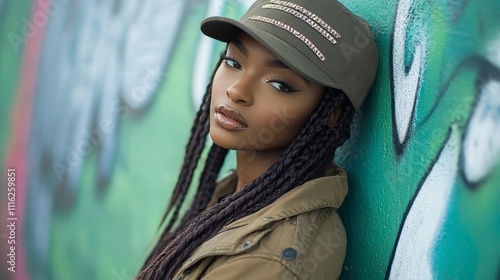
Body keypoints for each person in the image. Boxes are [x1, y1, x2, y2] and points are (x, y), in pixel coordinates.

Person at [137, 0, 378, 279]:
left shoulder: (273, 263)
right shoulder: (234, 196)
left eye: (279, 84)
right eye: (233, 62)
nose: (237, 90)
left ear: (331, 115)